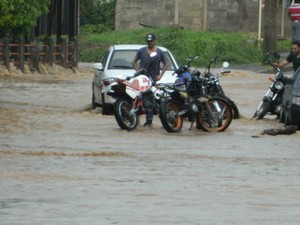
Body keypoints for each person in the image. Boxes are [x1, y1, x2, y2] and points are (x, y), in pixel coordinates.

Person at [131, 33, 168, 127]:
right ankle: (136, 119)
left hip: (152, 79)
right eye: (148, 41)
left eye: (151, 41)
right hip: (142, 79)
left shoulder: (159, 52)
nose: (150, 43)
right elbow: (133, 62)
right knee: (139, 98)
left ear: (155, 41)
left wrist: (160, 76)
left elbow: (166, 64)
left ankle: (149, 122)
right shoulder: (141, 51)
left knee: (149, 101)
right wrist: (138, 71)